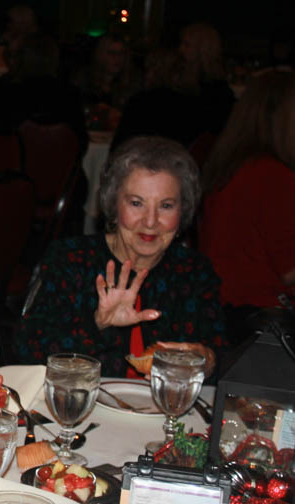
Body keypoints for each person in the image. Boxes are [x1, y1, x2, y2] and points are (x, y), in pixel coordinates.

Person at [15, 136, 226, 377]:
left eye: (166, 206)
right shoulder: (71, 260)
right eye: (136, 203)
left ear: (184, 211)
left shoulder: (194, 273)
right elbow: (26, 352)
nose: (150, 221)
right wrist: (96, 324)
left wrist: (206, 361)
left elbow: (222, 361)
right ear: (114, 206)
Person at [199, 70, 295, 338]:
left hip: (221, 310)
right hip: (259, 320)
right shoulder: (274, 176)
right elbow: (289, 269)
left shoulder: (232, 166)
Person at [73, 33, 141, 115]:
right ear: (101, 55)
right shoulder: (85, 78)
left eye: (121, 53)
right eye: (112, 53)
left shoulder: (133, 81)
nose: (117, 58)